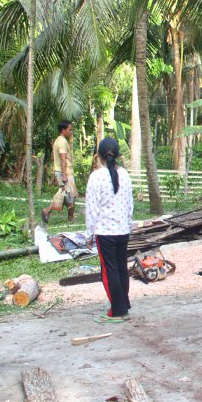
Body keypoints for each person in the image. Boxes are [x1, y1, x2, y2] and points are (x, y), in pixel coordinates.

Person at [85, 138, 134, 323]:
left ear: (99, 156)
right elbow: (130, 205)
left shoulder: (96, 177)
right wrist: (128, 225)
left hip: (105, 231)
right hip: (122, 230)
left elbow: (91, 208)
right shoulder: (125, 175)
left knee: (109, 271)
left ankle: (117, 310)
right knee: (121, 267)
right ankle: (123, 303)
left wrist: (89, 234)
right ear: (118, 155)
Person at [42, 120, 77, 224]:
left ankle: (70, 218)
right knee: (68, 197)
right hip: (64, 173)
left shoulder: (59, 140)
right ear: (63, 130)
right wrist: (65, 176)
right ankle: (47, 210)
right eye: (69, 130)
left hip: (63, 172)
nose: (71, 132)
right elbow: (63, 160)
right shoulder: (62, 142)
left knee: (68, 195)